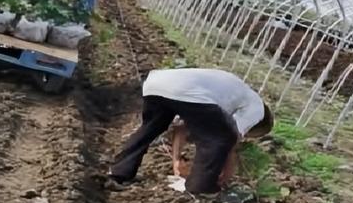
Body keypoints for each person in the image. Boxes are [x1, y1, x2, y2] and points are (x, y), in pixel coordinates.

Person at [109, 67, 273, 193]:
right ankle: (201, 187)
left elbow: (181, 128)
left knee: (150, 128)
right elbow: (230, 141)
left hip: (155, 83)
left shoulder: (230, 94)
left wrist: (176, 161)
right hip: (186, 91)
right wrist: (225, 178)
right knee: (221, 138)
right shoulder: (256, 107)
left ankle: (119, 172)